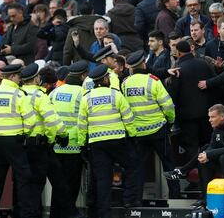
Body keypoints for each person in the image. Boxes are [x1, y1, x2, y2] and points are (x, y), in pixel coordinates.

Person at [77, 64, 138, 217]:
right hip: (117, 140)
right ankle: (128, 201)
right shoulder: (116, 95)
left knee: (103, 178)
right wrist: (132, 136)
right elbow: (128, 118)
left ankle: (104, 212)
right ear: (105, 79)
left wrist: (82, 144)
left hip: (96, 143)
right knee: (133, 166)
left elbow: (81, 124)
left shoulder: (87, 98)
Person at [122, 50, 180, 201]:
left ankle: (136, 200)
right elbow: (168, 105)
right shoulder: (153, 81)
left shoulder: (125, 83)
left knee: (138, 167)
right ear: (143, 63)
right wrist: (170, 121)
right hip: (158, 130)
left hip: (138, 133)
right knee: (169, 165)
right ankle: (175, 198)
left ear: (132, 67)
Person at [20, 62, 69, 218]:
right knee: (39, 182)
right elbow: (53, 121)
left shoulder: (18, 93)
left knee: (24, 183)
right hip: (39, 145)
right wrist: (62, 135)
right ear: (36, 79)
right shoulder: (39, 96)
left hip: (19, 145)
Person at [0, 64, 37, 218]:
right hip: (15, 142)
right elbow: (31, 120)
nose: (20, 79)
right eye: (18, 76)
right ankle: (25, 214)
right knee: (24, 178)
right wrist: (26, 134)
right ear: (12, 77)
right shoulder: (18, 95)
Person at [48, 61, 89, 218]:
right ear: (83, 75)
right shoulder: (82, 93)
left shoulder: (55, 92)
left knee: (58, 186)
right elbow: (84, 120)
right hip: (74, 147)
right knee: (71, 186)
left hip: (56, 146)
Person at [169, 40, 217, 161]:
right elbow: (216, 83)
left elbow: (173, 93)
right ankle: (208, 174)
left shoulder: (178, 69)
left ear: (179, 53)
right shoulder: (204, 64)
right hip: (207, 113)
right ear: (190, 50)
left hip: (187, 117)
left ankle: (195, 175)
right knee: (207, 144)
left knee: (191, 147)